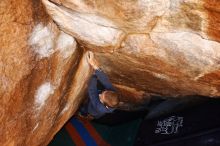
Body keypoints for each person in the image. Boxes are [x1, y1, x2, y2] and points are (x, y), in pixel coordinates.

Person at [79, 51, 120, 119]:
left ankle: (83, 113)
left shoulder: (99, 107)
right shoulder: (113, 94)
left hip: (92, 110)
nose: (100, 94)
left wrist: (94, 75)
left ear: (105, 105)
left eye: (101, 97)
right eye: (103, 92)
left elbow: (92, 91)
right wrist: (96, 67)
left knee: (85, 109)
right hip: (97, 106)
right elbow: (106, 81)